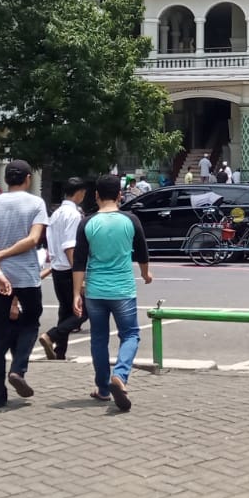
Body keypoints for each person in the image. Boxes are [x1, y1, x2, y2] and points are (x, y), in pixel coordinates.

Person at [73, 173, 153, 412]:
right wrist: (146, 275)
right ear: (120, 195)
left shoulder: (87, 222)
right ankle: (120, 375)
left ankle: (103, 388)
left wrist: (76, 293)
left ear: (96, 196)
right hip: (123, 290)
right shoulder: (131, 220)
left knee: (98, 338)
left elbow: (79, 262)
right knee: (130, 335)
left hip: (95, 291)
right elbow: (142, 253)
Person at [0, 159, 48, 408]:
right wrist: (5, 254)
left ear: (6, 179)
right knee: (30, 322)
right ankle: (18, 368)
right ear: (28, 178)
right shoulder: (36, 203)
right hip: (27, 277)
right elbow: (34, 239)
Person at [39, 177, 87, 361]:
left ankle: (59, 352)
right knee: (84, 311)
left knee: (66, 310)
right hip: (69, 269)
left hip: (58, 268)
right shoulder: (73, 215)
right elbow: (70, 247)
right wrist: (80, 277)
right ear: (79, 193)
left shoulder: (56, 213)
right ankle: (51, 335)